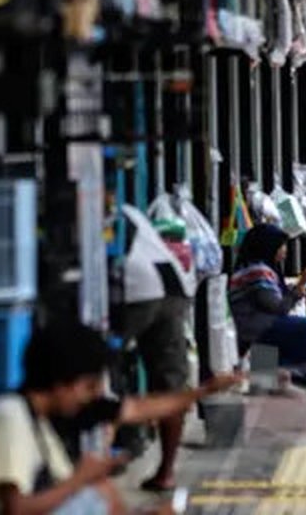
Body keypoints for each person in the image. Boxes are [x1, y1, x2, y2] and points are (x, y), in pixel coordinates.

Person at [0, 320, 238, 514]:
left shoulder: (40, 425)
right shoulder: (11, 418)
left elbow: (139, 409)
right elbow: (18, 509)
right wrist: (81, 478)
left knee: (101, 491)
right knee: (96, 492)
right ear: (62, 382)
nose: (93, 396)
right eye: (89, 386)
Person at [113, 206, 195, 492]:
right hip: (173, 287)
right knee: (170, 381)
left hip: (138, 289)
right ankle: (166, 471)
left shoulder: (96, 207)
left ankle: (100, 460)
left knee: (99, 367)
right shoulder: (130, 211)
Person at [228, 224, 306, 396]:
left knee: (299, 326)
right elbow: (277, 308)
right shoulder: (258, 272)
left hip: (253, 326)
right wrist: (296, 293)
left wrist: (297, 287)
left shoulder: (252, 268)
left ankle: (269, 378)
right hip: (254, 329)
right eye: (282, 246)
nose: (285, 251)